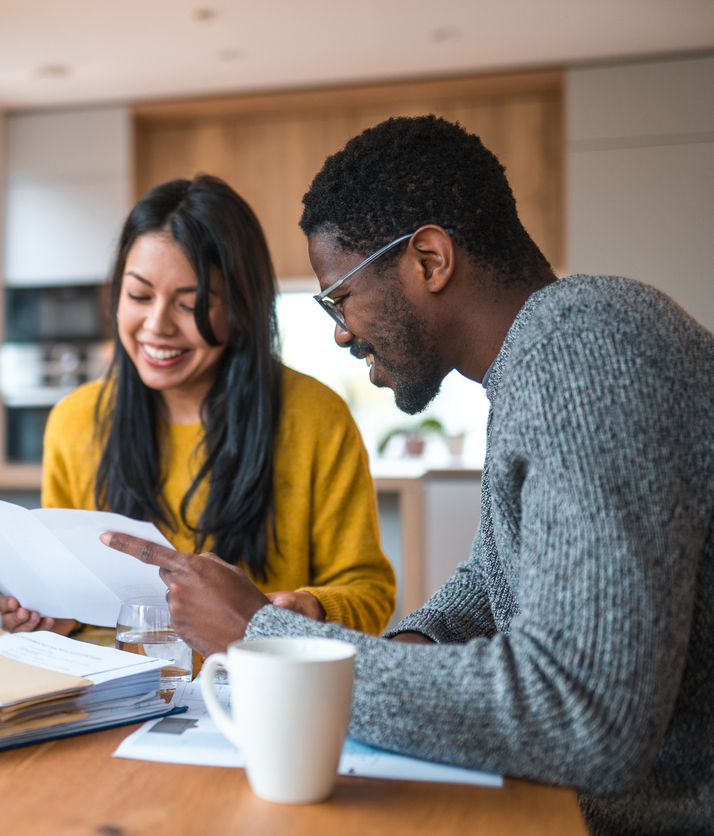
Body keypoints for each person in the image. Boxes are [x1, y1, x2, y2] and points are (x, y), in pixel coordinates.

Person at [100, 116, 713, 836]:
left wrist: (259, 637)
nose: (338, 329)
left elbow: (583, 716)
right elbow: (493, 581)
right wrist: (403, 647)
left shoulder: (586, 353)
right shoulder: (542, 358)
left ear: (427, 260)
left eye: (340, 295)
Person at [0, 174, 396, 637]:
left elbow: (369, 593)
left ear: (240, 307)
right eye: (139, 295)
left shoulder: (314, 417)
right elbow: (72, 595)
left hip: (254, 690)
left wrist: (306, 609)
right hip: (113, 699)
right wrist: (54, 615)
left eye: (190, 304)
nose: (156, 325)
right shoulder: (75, 421)